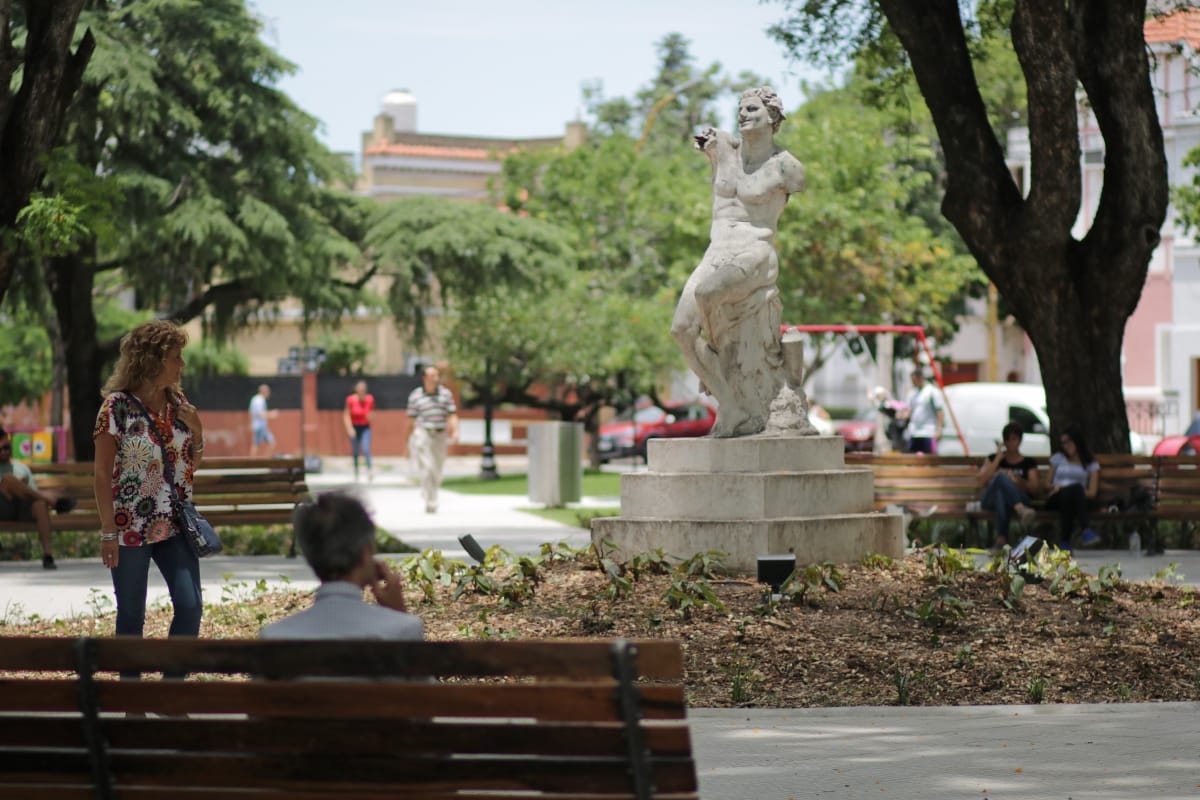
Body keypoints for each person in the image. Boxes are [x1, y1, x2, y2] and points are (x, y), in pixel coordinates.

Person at [670, 86, 808, 438]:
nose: (743, 114)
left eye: (752, 109)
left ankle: (719, 361)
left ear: (773, 117)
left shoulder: (787, 166)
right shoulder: (726, 148)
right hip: (716, 251)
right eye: (741, 109)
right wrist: (708, 144)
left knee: (707, 292)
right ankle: (730, 407)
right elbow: (708, 138)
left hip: (755, 251)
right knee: (681, 329)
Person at [93, 319, 206, 641]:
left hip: (175, 524)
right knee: (130, 617)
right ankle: (129, 690)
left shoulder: (179, 405)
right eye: (176, 357)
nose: (181, 364)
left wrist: (197, 430)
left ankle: (172, 687)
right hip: (129, 525)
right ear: (152, 360)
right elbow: (102, 473)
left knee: (190, 605)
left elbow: (190, 465)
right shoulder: (116, 408)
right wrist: (107, 532)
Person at [260, 491, 422, 639]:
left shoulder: (274, 636)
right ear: (365, 554)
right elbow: (418, 670)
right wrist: (399, 613)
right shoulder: (402, 630)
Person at [0, 427, 76, 569]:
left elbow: (32, 493)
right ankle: (53, 501)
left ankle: (48, 555)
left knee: (40, 503)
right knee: (8, 480)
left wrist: (21, 488)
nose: (4, 451)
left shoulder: (21, 468)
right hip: (3, 509)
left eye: (6, 447)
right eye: (0, 449)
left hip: (22, 508)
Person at [975, 422, 1040, 550]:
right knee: (1000, 477)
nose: (1011, 443)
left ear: (1020, 440)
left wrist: (1017, 480)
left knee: (1002, 495)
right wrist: (998, 459)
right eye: (1007, 440)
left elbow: (1034, 490)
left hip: (1018, 497)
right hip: (990, 500)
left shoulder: (1028, 462)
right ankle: (1021, 510)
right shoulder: (993, 459)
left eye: (1014, 439)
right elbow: (980, 482)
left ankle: (1001, 540)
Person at [407, 365, 458, 514]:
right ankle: (431, 500)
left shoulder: (445, 394)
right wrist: (406, 440)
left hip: (440, 434)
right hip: (423, 432)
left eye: (437, 376)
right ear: (424, 378)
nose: (436, 379)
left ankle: (429, 490)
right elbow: (410, 419)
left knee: (438, 469)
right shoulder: (415, 396)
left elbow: (452, 414)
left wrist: (455, 431)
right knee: (427, 467)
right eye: (432, 376)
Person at [1045, 424, 1101, 549]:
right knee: (1071, 492)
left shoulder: (1090, 462)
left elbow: (1092, 492)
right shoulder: (1058, 458)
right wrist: (1054, 487)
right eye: (1063, 443)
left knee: (1072, 493)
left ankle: (1065, 542)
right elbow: (1047, 484)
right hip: (1056, 496)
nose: (1066, 446)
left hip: (1077, 499)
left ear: (1077, 441)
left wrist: (1075, 491)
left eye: (1069, 441)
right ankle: (1086, 530)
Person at [901, 369, 945, 454]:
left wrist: (939, 429)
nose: (913, 383)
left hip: (928, 432)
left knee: (929, 459)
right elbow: (908, 410)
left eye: (914, 380)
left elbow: (939, 410)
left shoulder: (932, 391)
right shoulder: (912, 393)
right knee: (912, 460)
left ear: (921, 378)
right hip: (914, 432)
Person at [343, 380, 375, 481]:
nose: (361, 391)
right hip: (354, 427)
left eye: (363, 389)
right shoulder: (350, 400)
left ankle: (369, 470)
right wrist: (349, 428)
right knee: (356, 451)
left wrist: (371, 417)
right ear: (356, 389)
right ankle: (356, 471)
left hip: (365, 427)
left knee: (366, 449)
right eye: (360, 389)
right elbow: (346, 415)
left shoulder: (370, 399)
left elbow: (372, 412)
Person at [249, 384, 278, 458]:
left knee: (268, 443)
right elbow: (260, 414)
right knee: (257, 444)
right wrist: (271, 414)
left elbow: (252, 413)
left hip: (260, 426)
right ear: (263, 391)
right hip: (260, 426)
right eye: (268, 391)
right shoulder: (259, 400)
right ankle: (255, 462)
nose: (269, 393)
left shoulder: (255, 399)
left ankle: (263, 461)